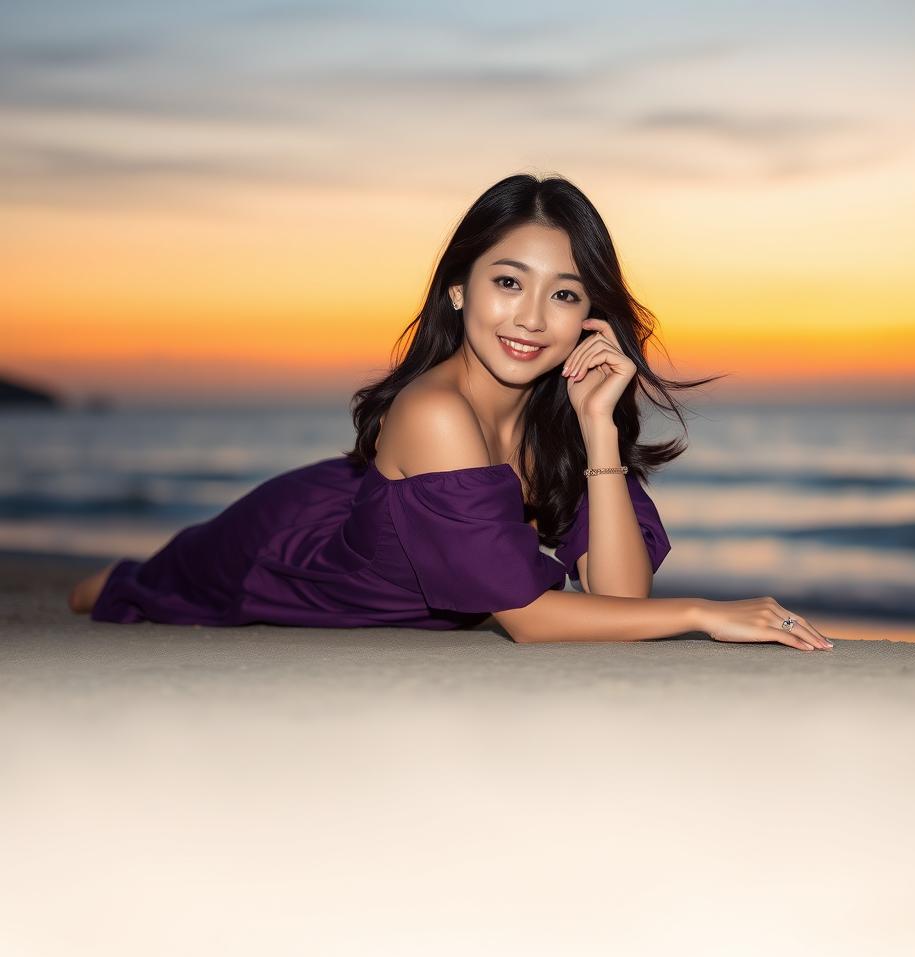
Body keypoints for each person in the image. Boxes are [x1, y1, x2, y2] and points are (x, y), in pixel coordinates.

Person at [71, 173, 832, 652]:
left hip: (365, 505)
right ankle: (107, 576)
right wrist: (704, 612)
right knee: (129, 589)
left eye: (564, 294)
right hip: (288, 548)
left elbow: (618, 604)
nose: (532, 317)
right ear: (459, 290)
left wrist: (600, 429)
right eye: (509, 281)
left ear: (587, 316)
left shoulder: (562, 418)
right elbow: (531, 619)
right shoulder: (434, 412)